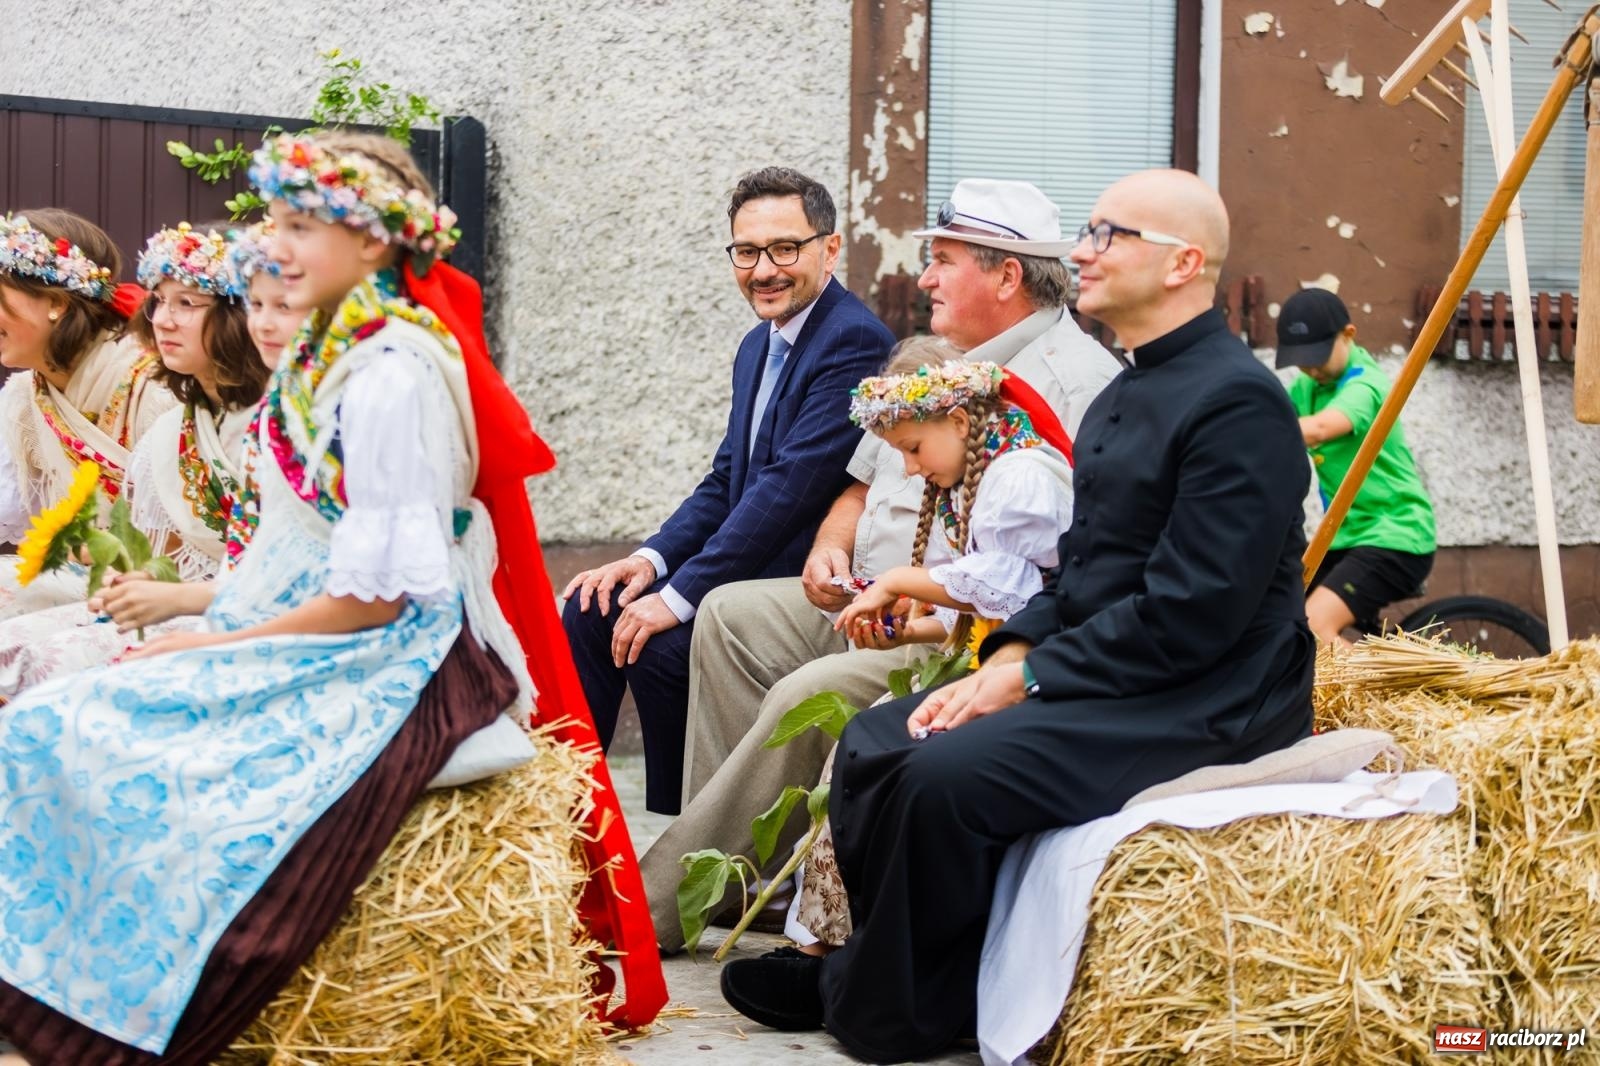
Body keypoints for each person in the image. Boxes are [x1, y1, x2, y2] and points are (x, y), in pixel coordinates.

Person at [0, 129, 573, 1063]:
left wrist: (217, 641)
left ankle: (110, 1020)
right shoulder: (323, 355)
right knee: (45, 726)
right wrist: (212, 620)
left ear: (379, 244)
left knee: (66, 735)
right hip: (294, 618)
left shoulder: (392, 373)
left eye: (302, 225)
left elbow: (377, 599)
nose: (276, 244)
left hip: (382, 655)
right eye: (274, 222)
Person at [718, 169, 1315, 1061]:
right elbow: (1081, 572)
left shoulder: (1237, 404)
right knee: (883, 740)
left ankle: (894, 1010)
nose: (1082, 253)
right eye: (1088, 230)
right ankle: (860, 958)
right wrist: (1013, 651)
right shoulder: (1127, 392)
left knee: (938, 776)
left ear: (1185, 263)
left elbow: (1197, 611)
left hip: (1204, 700)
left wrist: (1029, 676)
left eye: (1111, 236)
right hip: (1119, 671)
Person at [641, 179, 1121, 949]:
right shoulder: (936, 359)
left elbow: (1050, 574)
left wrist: (919, 611)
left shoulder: (1076, 385)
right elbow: (858, 484)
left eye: (945, 261)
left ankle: (660, 898)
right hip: (868, 592)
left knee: (809, 692)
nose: (924, 277)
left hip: (955, 629)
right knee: (728, 615)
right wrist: (831, 545)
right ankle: (746, 882)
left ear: (1006, 277)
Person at [560, 167, 894, 814]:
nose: (763, 269)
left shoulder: (853, 340)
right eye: (747, 252)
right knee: (592, 608)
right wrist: (649, 561)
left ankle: (687, 826)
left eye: (784, 249)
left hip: (788, 586)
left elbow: (787, 488)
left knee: (655, 643)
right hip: (739, 562)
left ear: (830, 249)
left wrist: (678, 596)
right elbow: (726, 481)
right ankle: (569, 818)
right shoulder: (757, 344)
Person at [790, 343, 1074, 952]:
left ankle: (845, 943)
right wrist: (902, 624)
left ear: (960, 421)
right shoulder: (981, 472)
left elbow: (1011, 588)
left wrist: (895, 581)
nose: (912, 470)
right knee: (856, 749)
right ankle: (830, 939)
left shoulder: (1019, 475)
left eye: (913, 450)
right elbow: (966, 614)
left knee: (876, 749)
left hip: (1040, 673)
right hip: (996, 659)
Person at [0, 221, 271, 702]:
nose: (163, 320)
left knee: (39, 660)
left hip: (251, 611)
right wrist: (136, 580)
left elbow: (294, 575)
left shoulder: (273, 425)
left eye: (186, 303)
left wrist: (148, 582)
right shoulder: (176, 430)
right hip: (169, 588)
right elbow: (161, 554)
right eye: (159, 301)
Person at [0, 210, 175, 620]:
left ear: (57, 304)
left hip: (164, 591)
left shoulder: (156, 386)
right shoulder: (23, 398)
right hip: (86, 579)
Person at [1277, 286, 1436, 645]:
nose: (1312, 367)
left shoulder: (1367, 384)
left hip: (1395, 536)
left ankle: (1372, 699)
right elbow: (1273, 429)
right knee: (1278, 619)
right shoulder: (1305, 388)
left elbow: (1319, 428)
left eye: (1317, 355)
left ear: (1348, 335)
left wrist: (1261, 431)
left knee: (1314, 628)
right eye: (1301, 360)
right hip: (1344, 538)